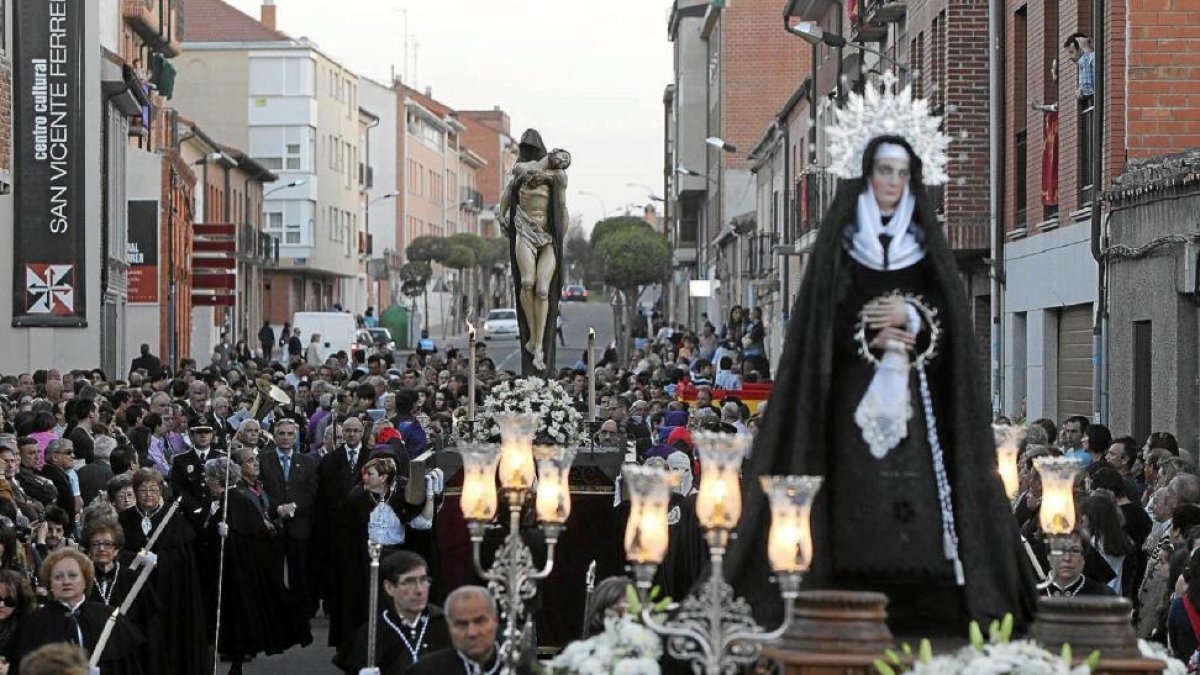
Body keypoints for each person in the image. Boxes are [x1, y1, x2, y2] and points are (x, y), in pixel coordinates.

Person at [725, 76, 1036, 636]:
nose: (891, 182)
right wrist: (867, 333)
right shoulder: (840, 251)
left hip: (919, 418)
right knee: (854, 509)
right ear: (865, 176)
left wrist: (914, 324)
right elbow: (816, 338)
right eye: (882, 171)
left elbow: (952, 353)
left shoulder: (927, 249)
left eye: (900, 172)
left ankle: (934, 602)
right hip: (850, 414)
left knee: (922, 514)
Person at [198, 458, 311, 674]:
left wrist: (230, 535)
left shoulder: (240, 501)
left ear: (219, 479)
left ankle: (237, 663)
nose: (206, 482)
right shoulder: (218, 500)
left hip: (238, 574)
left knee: (239, 618)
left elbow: (255, 536)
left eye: (209, 478)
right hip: (220, 571)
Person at [328, 457, 434, 652]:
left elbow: (422, 523)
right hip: (364, 561)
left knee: (394, 605)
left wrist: (430, 495)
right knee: (366, 607)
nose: (365, 478)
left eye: (370, 474)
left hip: (395, 560)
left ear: (383, 477)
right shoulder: (357, 498)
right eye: (364, 474)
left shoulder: (399, 497)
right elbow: (344, 534)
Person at [117, 469, 206, 675]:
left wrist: (162, 560)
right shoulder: (125, 519)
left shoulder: (174, 519)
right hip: (136, 592)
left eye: (154, 490)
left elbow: (184, 560)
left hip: (169, 591)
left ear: (161, 492)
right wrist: (135, 558)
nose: (149, 495)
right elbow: (118, 552)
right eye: (143, 490)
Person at [497, 129, 570, 373]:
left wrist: (561, 234)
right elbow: (511, 188)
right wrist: (501, 214)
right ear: (551, 153)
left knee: (542, 289)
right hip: (525, 231)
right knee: (526, 282)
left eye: (565, 162)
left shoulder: (557, 178)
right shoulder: (521, 170)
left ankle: (537, 342)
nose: (562, 162)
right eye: (560, 157)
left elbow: (561, 205)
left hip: (548, 237)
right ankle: (531, 335)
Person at [11, 548, 146, 675]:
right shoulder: (34, 622)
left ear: (85, 580)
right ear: (50, 583)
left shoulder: (108, 616)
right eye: (58, 577)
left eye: (73, 575)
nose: (66, 582)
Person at [335, 551, 452, 675]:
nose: (419, 590)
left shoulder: (447, 625)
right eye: (409, 582)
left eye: (423, 580)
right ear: (389, 588)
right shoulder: (370, 635)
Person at [258, 419, 319, 615]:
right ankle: (275, 611)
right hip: (273, 525)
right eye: (281, 434)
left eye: (290, 434)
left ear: (296, 437)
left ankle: (300, 612)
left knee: (300, 572)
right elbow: (260, 490)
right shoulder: (262, 460)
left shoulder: (308, 462)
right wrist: (277, 509)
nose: (285, 438)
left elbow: (312, 492)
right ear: (274, 436)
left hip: (299, 524)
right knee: (273, 570)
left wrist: (294, 506)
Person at [408, 586, 527, 675]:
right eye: (461, 624)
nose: (472, 633)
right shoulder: (424, 671)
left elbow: (544, 651)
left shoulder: (528, 662)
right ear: (449, 627)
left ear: (495, 620)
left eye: (480, 621)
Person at [1038, 530, 1116, 598]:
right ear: (1049, 556)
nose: (1067, 558)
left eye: (1075, 551)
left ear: (1083, 557)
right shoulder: (1032, 594)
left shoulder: (1104, 596)